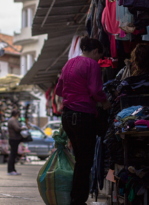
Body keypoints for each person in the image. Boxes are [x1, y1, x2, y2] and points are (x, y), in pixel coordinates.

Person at [55, 36, 111, 205]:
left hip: (67, 116)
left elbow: (58, 90)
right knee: (84, 162)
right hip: (83, 117)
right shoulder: (92, 64)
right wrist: (104, 101)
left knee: (80, 159)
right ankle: (78, 200)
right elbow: (95, 90)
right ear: (95, 51)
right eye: (99, 56)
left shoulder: (68, 64)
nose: (98, 60)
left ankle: (75, 197)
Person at [7, 110, 24, 176]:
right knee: (12, 155)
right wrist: (22, 128)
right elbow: (17, 128)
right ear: (16, 114)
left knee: (13, 155)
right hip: (14, 139)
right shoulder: (12, 120)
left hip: (14, 139)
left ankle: (12, 170)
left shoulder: (12, 120)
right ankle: (11, 170)